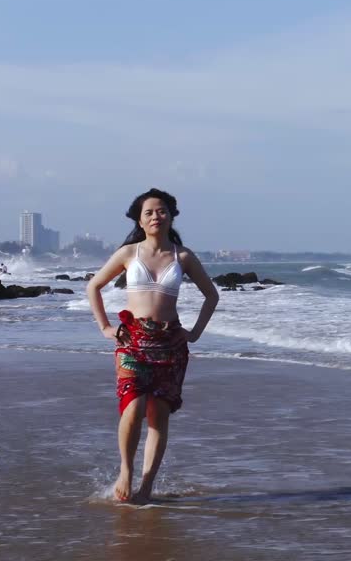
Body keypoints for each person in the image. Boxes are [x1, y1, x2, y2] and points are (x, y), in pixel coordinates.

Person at [86, 188, 219, 503]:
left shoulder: (182, 256)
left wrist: (195, 332)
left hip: (170, 345)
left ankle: (146, 487)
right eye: (149, 212)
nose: (156, 216)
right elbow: (94, 286)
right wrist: (105, 327)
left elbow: (211, 295)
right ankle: (125, 472)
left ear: (171, 216)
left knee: (159, 415)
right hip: (132, 341)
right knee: (132, 407)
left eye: (162, 211)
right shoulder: (128, 254)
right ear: (140, 220)